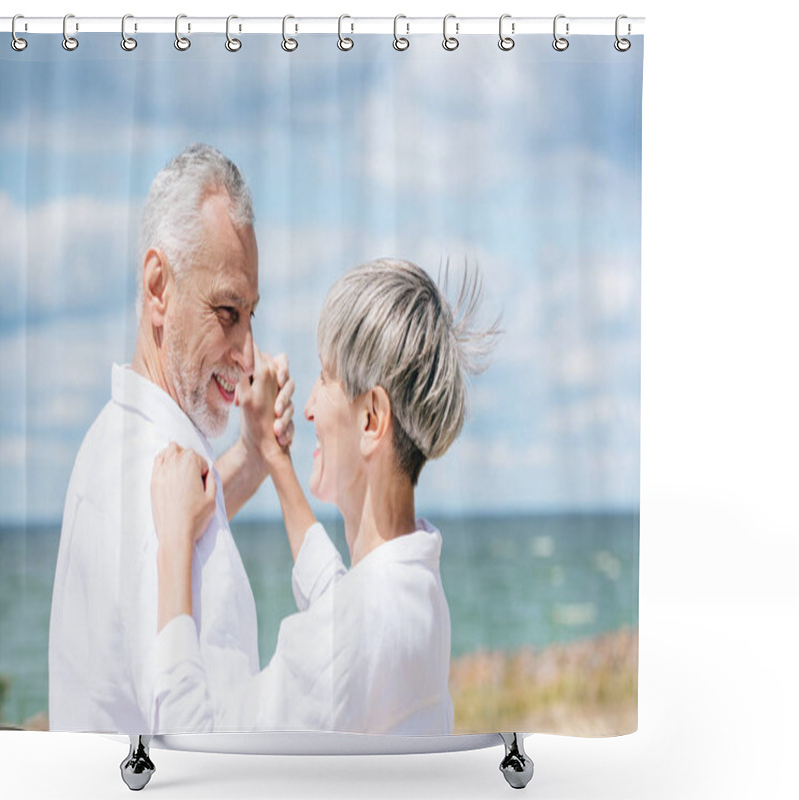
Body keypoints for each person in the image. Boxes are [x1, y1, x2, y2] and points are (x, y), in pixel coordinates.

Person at [150, 258, 501, 735]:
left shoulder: (344, 639)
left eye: (325, 377)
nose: (310, 406)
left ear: (372, 419)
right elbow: (336, 597)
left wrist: (172, 540)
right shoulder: (417, 584)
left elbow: (192, 742)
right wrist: (274, 459)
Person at [48, 144, 296, 733]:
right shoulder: (146, 472)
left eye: (251, 315)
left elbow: (194, 512)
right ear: (158, 287)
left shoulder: (120, 442)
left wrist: (255, 456)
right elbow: (202, 745)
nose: (249, 355)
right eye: (227, 312)